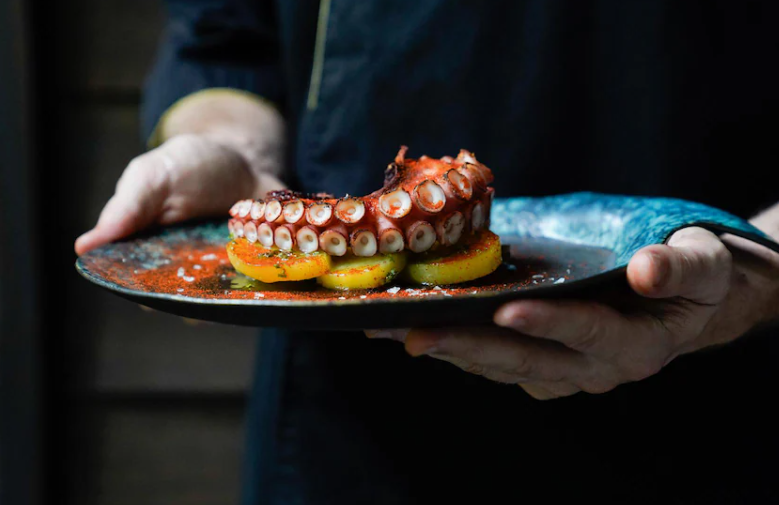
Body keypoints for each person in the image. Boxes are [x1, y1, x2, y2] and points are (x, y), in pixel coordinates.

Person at [75, 2, 779, 503]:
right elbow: (226, 38)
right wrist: (233, 147)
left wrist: (761, 269)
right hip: (342, 425)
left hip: (710, 404)